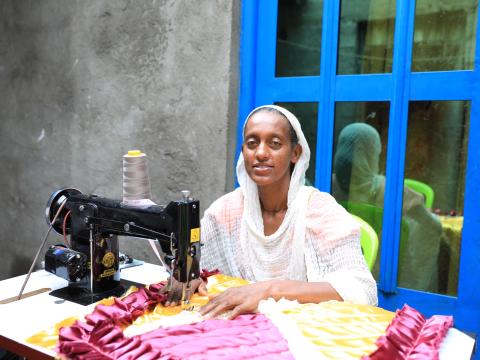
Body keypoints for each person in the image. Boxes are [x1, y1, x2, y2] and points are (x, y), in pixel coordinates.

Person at [164, 105, 377, 318]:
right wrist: (190, 277)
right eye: (252, 143)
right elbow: (199, 267)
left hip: (303, 332)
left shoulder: (319, 212)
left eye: (275, 144)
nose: (261, 153)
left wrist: (268, 290)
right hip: (243, 330)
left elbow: (362, 290)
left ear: (295, 153)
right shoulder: (227, 211)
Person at [331, 122, 442, 292]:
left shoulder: (328, 185)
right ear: (373, 154)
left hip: (335, 279)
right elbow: (433, 227)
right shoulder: (392, 190)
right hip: (382, 281)